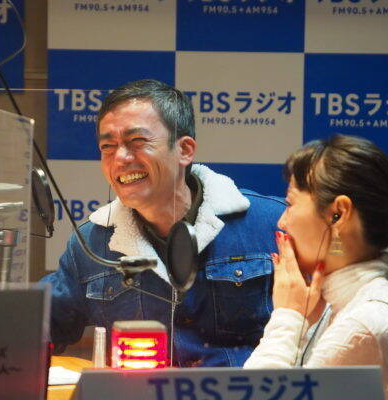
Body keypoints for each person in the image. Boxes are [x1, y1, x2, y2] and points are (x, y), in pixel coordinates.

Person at [42, 79, 285, 367]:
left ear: (185, 150)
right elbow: (39, 327)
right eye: (108, 146)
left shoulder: (273, 224)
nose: (120, 158)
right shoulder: (90, 244)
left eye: (137, 142)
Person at [244, 134, 388, 399]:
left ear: (338, 214)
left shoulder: (363, 325)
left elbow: (253, 395)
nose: (282, 222)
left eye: (290, 204)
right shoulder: (343, 307)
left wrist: (287, 317)